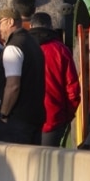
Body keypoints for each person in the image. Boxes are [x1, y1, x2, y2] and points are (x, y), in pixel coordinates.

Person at [0, 6, 46, 145]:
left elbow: (13, 86)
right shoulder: (32, 43)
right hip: (34, 118)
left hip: (16, 122)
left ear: (10, 22)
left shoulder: (13, 48)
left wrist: (3, 114)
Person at [29, 12, 80, 147]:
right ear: (51, 27)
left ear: (31, 26)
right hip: (53, 118)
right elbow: (73, 90)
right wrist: (66, 116)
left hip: (26, 121)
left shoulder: (21, 48)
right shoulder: (61, 50)